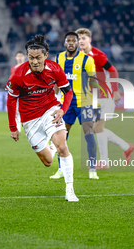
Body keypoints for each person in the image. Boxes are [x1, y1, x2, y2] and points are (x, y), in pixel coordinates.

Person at [6, 35, 79, 202]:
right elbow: (11, 101)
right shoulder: (18, 74)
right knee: (47, 161)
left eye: (38, 57)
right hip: (30, 119)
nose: (35, 61)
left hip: (50, 110)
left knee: (63, 147)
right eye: (31, 58)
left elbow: (68, 92)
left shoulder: (54, 69)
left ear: (45, 56)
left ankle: (70, 190)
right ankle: (51, 146)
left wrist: (62, 110)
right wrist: (13, 127)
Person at [75, 28, 134, 169]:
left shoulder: (97, 54)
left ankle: (104, 162)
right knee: (96, 129)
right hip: (92, 97)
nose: (81, 41)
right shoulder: (78, 56)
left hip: (105, 95)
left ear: (90, 39)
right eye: (79, 38)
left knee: (98, 127)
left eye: (84, 38)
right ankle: (126, 147)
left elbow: (113, 71)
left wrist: (115, 91)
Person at [50, 31, 99, 180]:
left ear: (78, 43)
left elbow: (94, 82)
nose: (71, 43)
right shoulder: (58, 58)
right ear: (64, 43)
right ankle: (61, 169)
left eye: (73, 41)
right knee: (62, 135)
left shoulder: (87, 60)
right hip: (66, 102)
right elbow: (56, 81)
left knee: (88, 131)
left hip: (84, 101)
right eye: (68, 41)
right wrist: (54, 101)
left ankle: (92, 168)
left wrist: (96, 104)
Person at [10, 51, 27, 133]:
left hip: (26, 92)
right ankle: (18, 129)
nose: (19, 58)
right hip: (17, 92)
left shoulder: (27, 66)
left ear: (24, 57)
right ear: (16, 58)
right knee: (17, 111)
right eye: (18, 56)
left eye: (21, 56)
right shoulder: (13, 68)